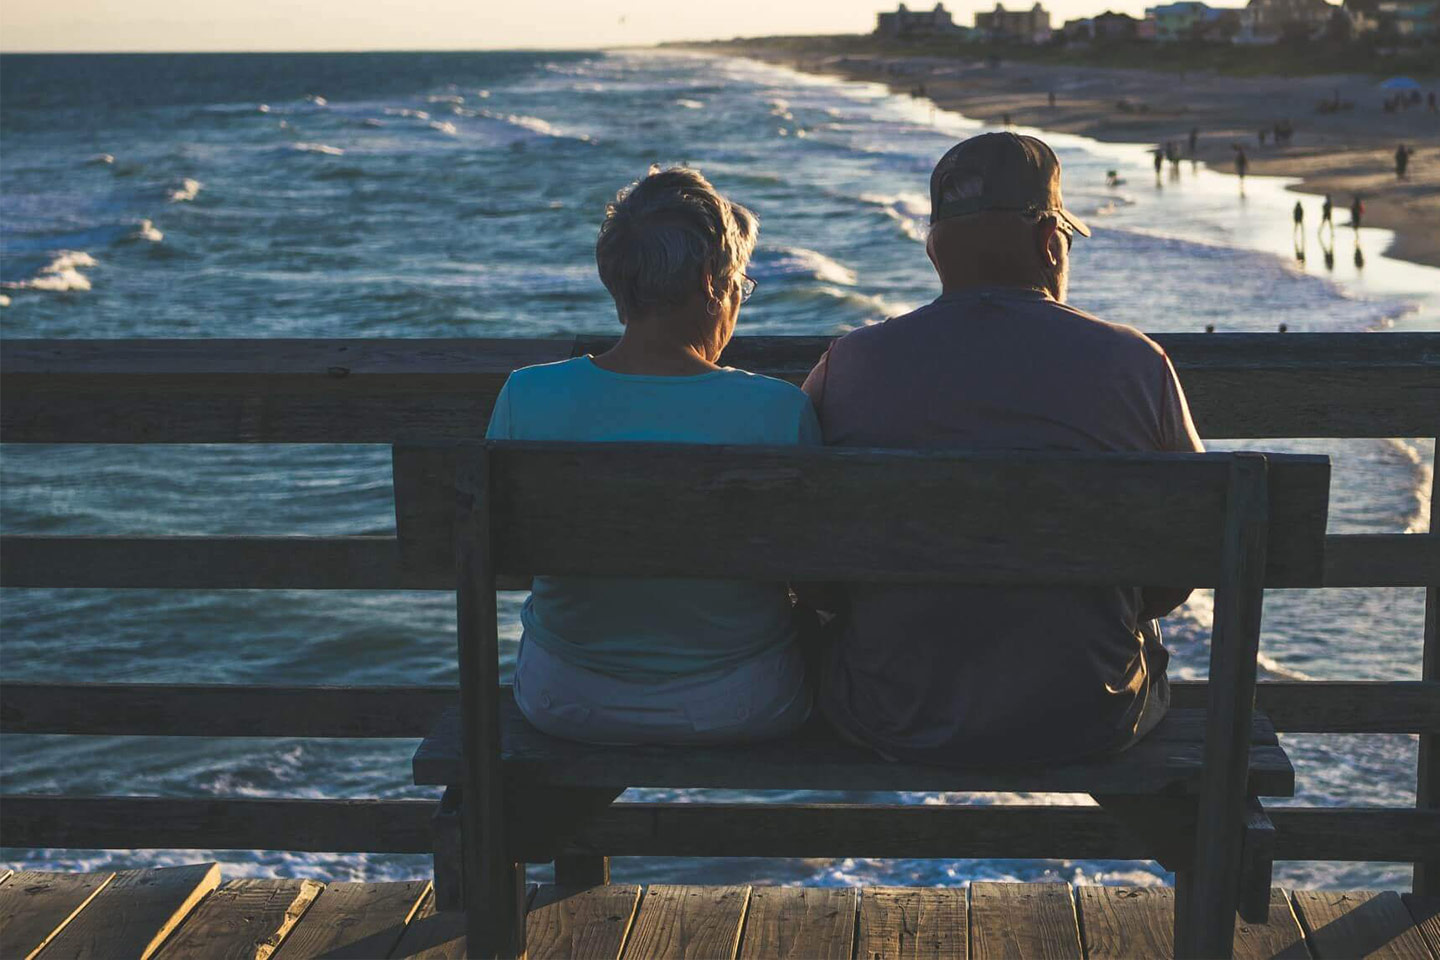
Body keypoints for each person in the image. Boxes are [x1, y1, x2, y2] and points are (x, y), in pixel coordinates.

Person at [801, 132, 1204, 766]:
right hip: (1090, 715)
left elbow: (801, 549)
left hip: (893, 712)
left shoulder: (848, 364)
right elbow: (1193, 545)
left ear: (935, 251)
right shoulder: (1136, 363)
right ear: (1050, 244)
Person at [487, 166, 817, 745]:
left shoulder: (526, 394)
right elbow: (819, 576)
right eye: (740, 283)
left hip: (564, 699)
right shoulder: (777, 410)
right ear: (713, 282)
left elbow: (506, 559)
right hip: (741, 702)